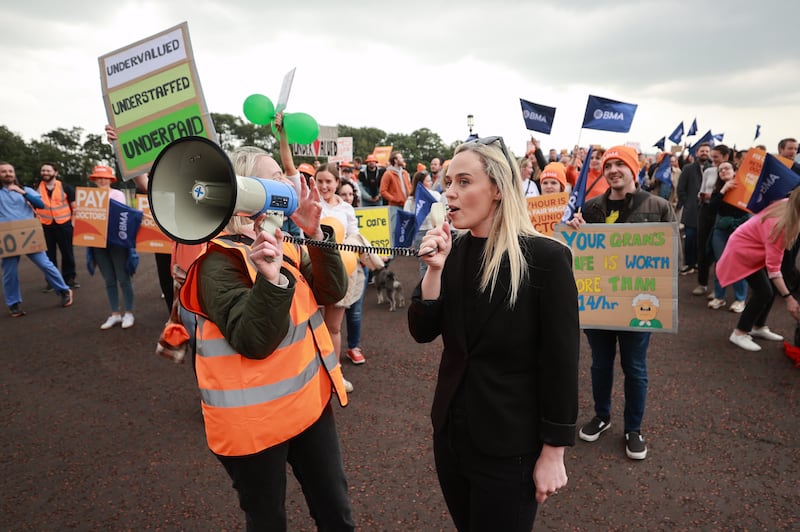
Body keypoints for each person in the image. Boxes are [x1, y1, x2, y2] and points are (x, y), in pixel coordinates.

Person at [408, 136, 579, 530]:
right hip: (451, 436)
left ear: (498, 189)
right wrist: (433, 270)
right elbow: (422, 331)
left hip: (509, 447)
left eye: (464, 182)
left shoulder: (547, 259)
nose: (450, 192)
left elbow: (561, 361)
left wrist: (554, 452)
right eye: (449, 182)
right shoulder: (454, 252)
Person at [179, 147, 354, 530]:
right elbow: (254, 340)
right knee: (267, 520)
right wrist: (270, 280)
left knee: (336, 514)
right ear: (243, 189)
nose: (287, 182)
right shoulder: (216, 263)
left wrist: (315, 234)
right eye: (275, 175)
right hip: (254, 425)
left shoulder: (285, 243)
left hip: (309, 407)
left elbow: (332, 290)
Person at [567, 145, 676, 460]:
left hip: (638, 303)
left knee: (635, 367)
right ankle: (602, 416)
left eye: (620, 164)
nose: (613, 169)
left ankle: (634, 428)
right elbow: (576, 256)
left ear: (634, 169)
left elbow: (671, 255)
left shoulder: (657, 207)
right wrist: (576, 234)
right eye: (608, 165)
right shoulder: (589, 208)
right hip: (599, 301)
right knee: (600, 364)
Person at [716, 186, 800, 352]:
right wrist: (789, 299)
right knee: (764, 291)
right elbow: (774, 268)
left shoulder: (789, 204)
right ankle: (739, 332)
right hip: (742, 252)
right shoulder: (780, 225)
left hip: (752, 248)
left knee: (770, 288)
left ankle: (758, 326)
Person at [1, 161, 73, 316]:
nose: (7, 174)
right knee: (9, 272)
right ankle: (13, 303)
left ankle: (63, 290)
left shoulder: (26, 190)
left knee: (46, 264)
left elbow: (40, 204)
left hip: (29, 234)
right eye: (4, 171)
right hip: (8, 237)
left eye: (10, 171)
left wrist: (22, 193)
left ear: (14, 174)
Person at [315, 164, 361, 384]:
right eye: (320, 181)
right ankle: (312, 372)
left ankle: (334, 374)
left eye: (328, 181)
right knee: (310, 323)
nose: (324, 186)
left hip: (340, 270)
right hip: (312, 268)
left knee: (333, 326)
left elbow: (354, 234)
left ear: (337, 183)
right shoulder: (310, 204)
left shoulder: (346, 209)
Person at [84, 165, 136, 330]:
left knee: (123, 278)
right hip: (98, 243)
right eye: (98, 177)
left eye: (104, 177)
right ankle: (114, 314)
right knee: (109, 280)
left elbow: (120, 216)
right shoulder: (88, 196)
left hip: (116, 242)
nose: (101, 179)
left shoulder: (118, 194)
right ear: (94, 179)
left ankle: (128, 312)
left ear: (110, 179)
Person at [706, 161, 749, 312]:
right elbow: (711, 208)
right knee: (721, 263)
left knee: (738, 263)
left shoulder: (745, 186)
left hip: (740, 229)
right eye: (720, 170)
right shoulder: (719, 190)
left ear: (735, 170)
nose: (724, 171)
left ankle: (740, 299)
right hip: (721, 230)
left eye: (727, 168)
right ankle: (719, 296)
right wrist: (724, 190)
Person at [694, 144, 734, 297]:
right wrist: (704, 196)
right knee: (702, 246)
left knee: (719, 251)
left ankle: (718, 289)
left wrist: (718, 196)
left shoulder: (732, 173)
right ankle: (702, 283)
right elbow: (702, 191)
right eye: (712, 156)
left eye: (716, 157)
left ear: (725, 157)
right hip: (706, 211)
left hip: (722, 214)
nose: (713, 159)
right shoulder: (709, 171)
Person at [338, 178, 369, 366]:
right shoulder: (332, 213)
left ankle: (353, 347)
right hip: (338, 269)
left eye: (351, 194)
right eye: (344, 194)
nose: (348, 198)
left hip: (358, 266)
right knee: (335, 315)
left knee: (355, 312)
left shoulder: (362, 214)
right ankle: (330, 352)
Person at [36, 162, 79, 290]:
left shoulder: (65, 187)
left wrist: (73, 223)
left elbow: (74, 207)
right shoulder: (36, 188)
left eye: (48, 171)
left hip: (64, 224)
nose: (45, 173)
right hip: (45, 226)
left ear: (55, 173)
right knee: (48, 256)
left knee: (67, 253)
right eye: (43, 170)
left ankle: (69, 279)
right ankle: (52, 281)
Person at [677, 142, 711, 276]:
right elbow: (681, 189)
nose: (705, 153)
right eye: (702, 151)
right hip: (691, 211)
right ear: (697, 153)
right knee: (690, 238)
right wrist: (688, 202)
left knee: (703, 239)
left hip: (707, 211)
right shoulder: (688, 169)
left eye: (707, 151)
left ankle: (699, 264)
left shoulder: (713, 169)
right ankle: (689, 263)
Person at [403, 170, 442, 277]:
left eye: (430, 181)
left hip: (434, 232)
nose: (431, 183)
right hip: (420, 233)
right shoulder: (411, 200)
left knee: (435, 263)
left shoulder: (436, 195)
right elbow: (407, 220)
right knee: (424, 264)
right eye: (428, 181)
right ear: (420, 183)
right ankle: (425, 291)